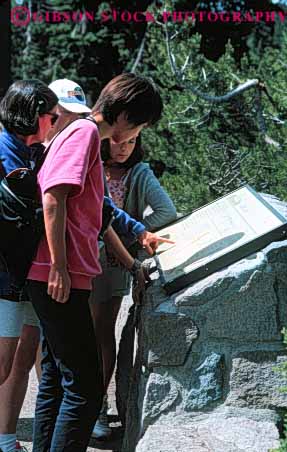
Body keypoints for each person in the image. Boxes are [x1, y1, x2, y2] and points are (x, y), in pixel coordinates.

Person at [26, 73, 163, 452]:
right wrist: (59, 266)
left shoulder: (80, 134)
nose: (136, 132)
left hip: (56, 273)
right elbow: (54, 198)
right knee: (85, 390)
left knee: (57, 379)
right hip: (58, 276)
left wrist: (135, 248)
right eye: (137, 123)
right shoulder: (85, 134)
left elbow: (96, 212)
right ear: (122, 114)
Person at [90, 133, 177, 438]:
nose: (124, 148)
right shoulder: (90, 163)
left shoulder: (139, 173)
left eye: (131, 142)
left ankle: (96, 409)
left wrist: (129, 239)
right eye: (118, 141)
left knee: (100, 333)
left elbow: (167, 211)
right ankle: (78, 407)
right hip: (79, 257)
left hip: (111, 265)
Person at [0, 80, 58, 452]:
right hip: (5, 276)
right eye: (51, 116)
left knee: (13, 361)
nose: (54, 124)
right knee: (3, 362)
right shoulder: (8, 155)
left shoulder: (28, 151)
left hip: (18, 275)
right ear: (33, 116)